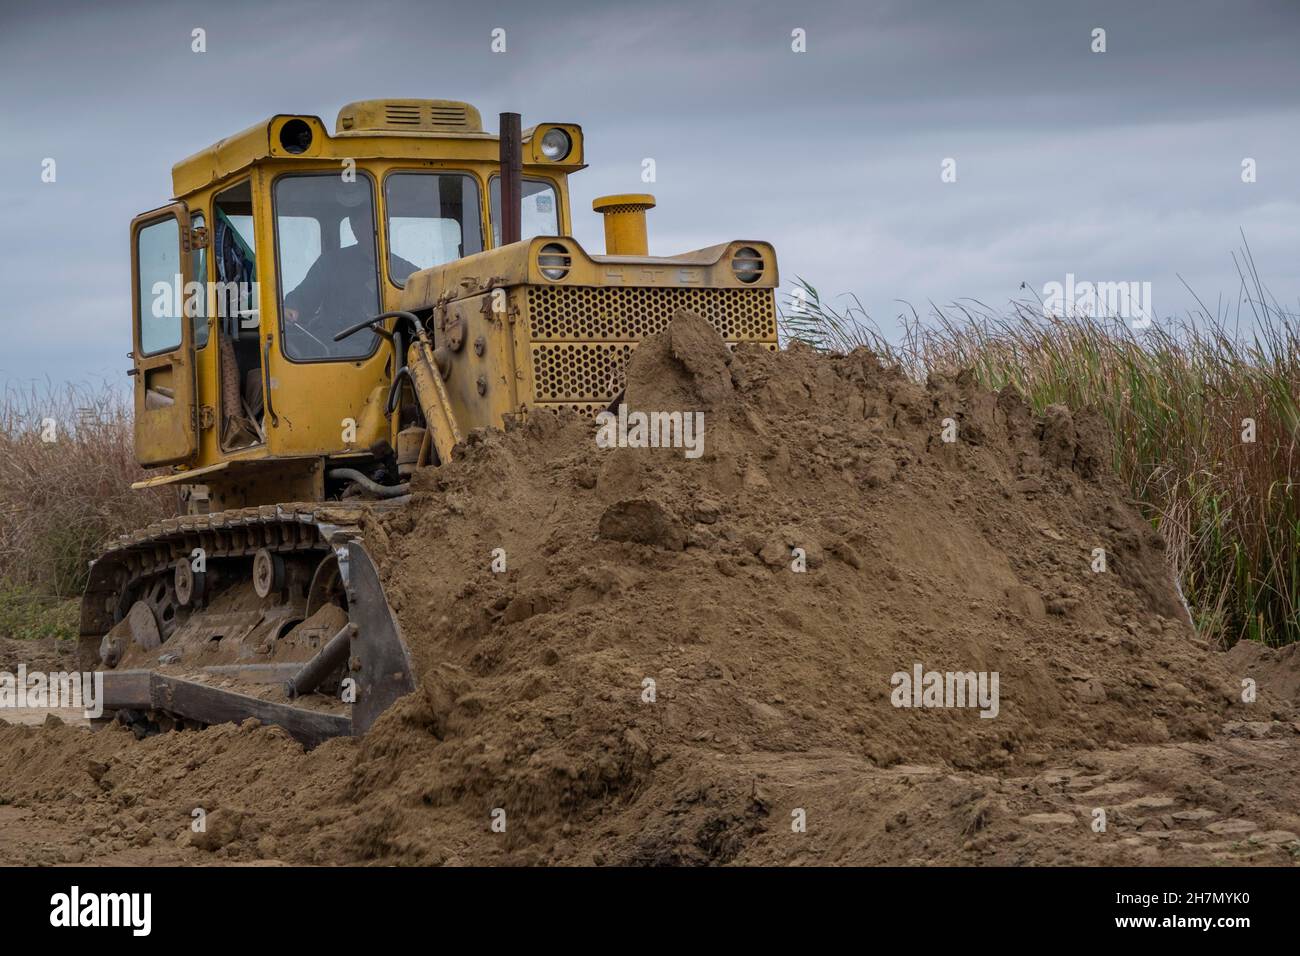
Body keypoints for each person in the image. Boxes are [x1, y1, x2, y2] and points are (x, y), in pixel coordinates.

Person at [283, 202, 418, 358]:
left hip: (391, 354)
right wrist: (292, 308)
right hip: (337, 353)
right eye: (365, 224)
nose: (375, 229)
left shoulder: (408, 271)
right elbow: (301, 299)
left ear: (387, 225)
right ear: (354, 228)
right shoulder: (330, 264)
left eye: (380, 223)